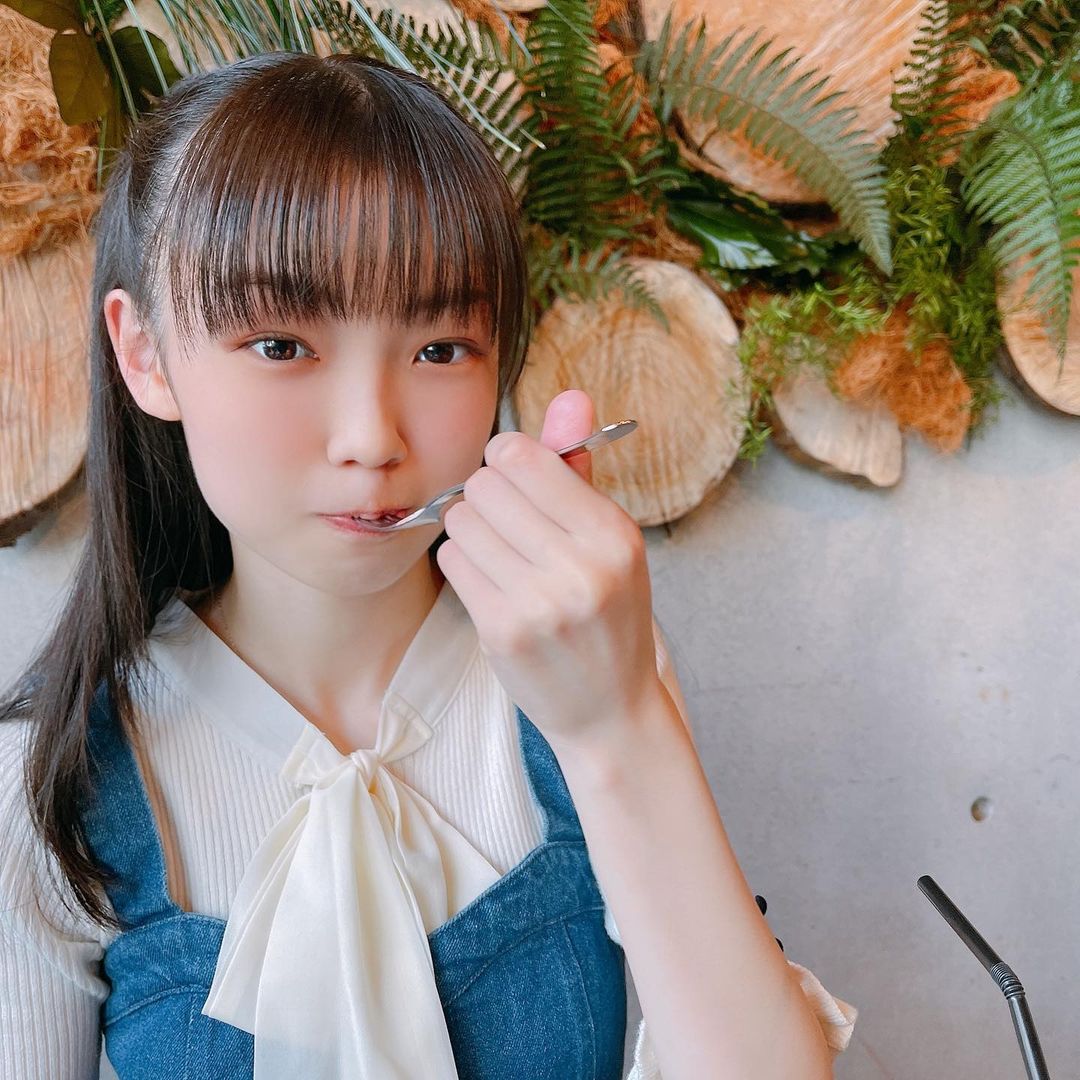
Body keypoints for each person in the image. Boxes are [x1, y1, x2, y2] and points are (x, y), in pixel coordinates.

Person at [0, 51, 856, 1079]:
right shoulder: (46, 780)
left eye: (441, 348)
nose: (372, 437)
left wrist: (616, 722)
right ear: (144, 353)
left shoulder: (581, 664)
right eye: (281, 346)